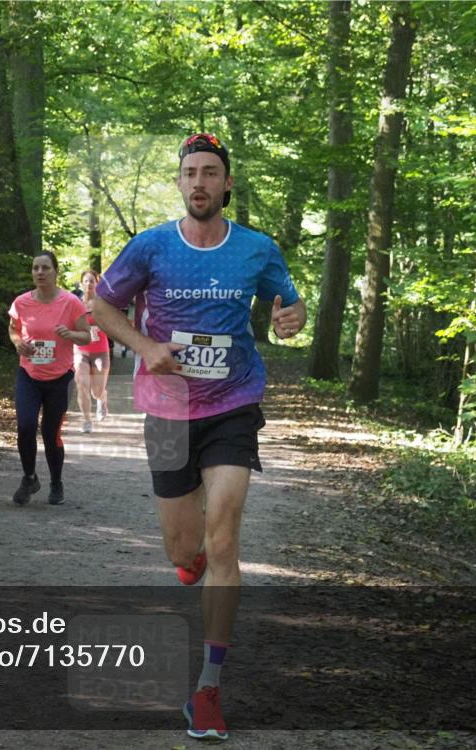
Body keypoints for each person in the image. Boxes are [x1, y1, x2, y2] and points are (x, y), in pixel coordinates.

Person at [92, 133, 305, 742]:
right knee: (184, 552)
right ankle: (195, 563)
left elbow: (289, 309)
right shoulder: (151, 246)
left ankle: (208, 689)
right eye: (190, 173)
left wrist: (290, 319)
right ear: (180, 183)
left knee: (225, 537)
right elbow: (100, 308)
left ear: (227, 183)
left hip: (234, 404)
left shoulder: (257, 249)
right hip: (167, 410)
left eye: (211, 172)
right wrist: (145, 347)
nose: (200, 182)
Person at [7, 251, 89, 506]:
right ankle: (29, 477)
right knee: (25, 426)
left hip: (60, 378)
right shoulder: (21, 302)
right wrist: (18, 343)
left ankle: (56, 481)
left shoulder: (71, 302)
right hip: (29, 375)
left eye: (45, 268)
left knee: (51, 433)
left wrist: (71, 334)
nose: (40, 272)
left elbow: (86, 336)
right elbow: (13, 329)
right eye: (36, 268)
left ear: (55, 271)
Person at [74, 269, 111, 433]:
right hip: (80, 350)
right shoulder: (75, 303)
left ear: (97, 283)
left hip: (100, 351)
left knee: (96, 391)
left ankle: (102, 398)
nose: (89, 284)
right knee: (82, 383)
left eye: (92, 281)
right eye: (86, 281)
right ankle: (86, 420)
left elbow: (113, 324)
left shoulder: (103, 304)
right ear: (81, 284)